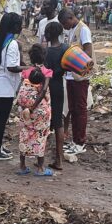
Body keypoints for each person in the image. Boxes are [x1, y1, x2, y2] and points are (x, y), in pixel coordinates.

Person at [0, 12, 25, 161]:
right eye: (20, 24)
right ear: (15, 26)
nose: (21, 27)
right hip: (4, 86)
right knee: (1, 119)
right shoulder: (12, 43)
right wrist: (28, 68)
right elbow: (11, 67)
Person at [59, 7, 94, 153]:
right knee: (73, 109)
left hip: (80, 75)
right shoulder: (72, 30)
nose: (63, 27)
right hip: (71, 76)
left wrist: (77, 65)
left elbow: (88, 51)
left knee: (80, 109)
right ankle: (75, 140)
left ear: (70, 18)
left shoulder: (83, 29)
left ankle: (80, 142)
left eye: (63, 23)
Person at [16, 46, 52, 177]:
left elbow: (20, 89)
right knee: (41, 136)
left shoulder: (26, 71)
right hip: (40, 110)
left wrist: (26, 107)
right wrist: (33, 107)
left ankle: (22, 166)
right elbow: (43, 91)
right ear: (44, 56)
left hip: (25, 110)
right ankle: (40, 168)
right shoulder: (46, 72)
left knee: (24, 134)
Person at [43, 21, 67, 170]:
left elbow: (44, 71)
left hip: (46, 88)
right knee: (59, 122)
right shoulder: (65, 48)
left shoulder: (46, 52)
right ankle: (59, 158)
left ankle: (40, 156)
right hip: (59, 86)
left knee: (44, 120)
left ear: (48, 34)